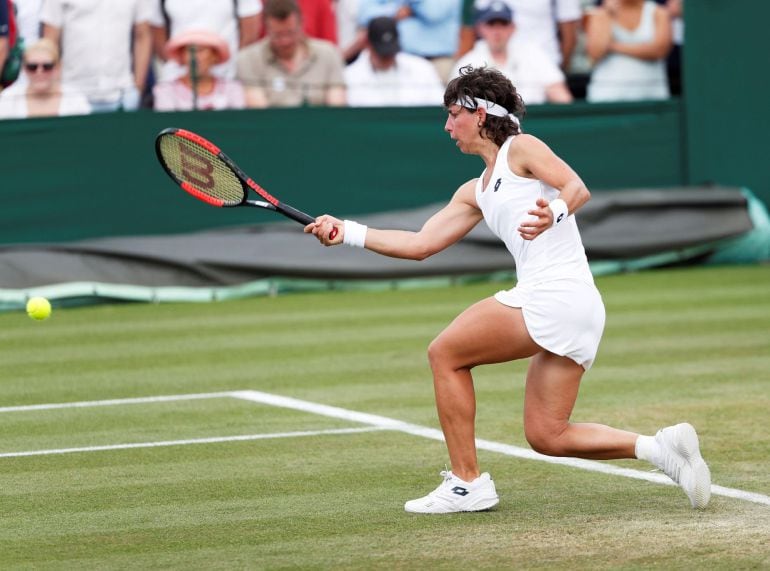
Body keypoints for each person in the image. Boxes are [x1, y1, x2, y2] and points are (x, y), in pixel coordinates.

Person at [305, 65, 711, 514]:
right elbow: (420, 244)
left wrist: (554, 211)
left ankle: (466, 483)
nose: (446, 126)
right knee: (546, 434)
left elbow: (576, 186)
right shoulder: (475, 190)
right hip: (577, 306)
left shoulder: (522, 147)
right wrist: (349, 231)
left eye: (452, 114)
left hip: (553, 295)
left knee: (445, 353)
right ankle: (662, 449)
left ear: (479, 114)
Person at [41, 0, 153, 112]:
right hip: (72, 92)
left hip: (123, 93)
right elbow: (50, 41)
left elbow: (142, 35)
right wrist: (55, 88)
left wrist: (137, 88)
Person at [452, 2, 573, 105]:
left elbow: (561, 96)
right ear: (480, 28)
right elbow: (456, 106)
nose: (497, 31)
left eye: (503, 24)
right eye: (491, 24)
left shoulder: (534, 54)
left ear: (513, 27)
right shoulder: (468, 62)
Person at [236, 0, 346, 108]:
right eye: (277, 35)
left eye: (290, 33)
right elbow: (259, 114)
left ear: (302, 24)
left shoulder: (329, 54)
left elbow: (336, 109)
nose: (285, 41)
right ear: (266, 28)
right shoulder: (248, 59)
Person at [149, 0, 262, 83]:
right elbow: (157, 30)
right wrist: (180, 62)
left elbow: (250, 32)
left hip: (229, 78)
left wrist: (229, 64)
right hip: (176, 79)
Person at [345, 16, 444, 107]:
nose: (388, 58)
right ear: (368, 45)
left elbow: (439, 107)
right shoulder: (349, 76)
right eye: (382, 54)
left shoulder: (423, 69)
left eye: (391, 52)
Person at [585, 0, 672, 102]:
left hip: (652, 95)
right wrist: (607, 15)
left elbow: (659, 50)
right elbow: (595, 53)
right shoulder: (601, 13)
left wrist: (613, 46)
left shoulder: (658, 12)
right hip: (607, 96)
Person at [355, 0, 462, 83]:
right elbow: (365, 15)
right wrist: (395, 11)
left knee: (443, 103)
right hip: (397, 58)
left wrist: (410, 6)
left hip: (438, 60)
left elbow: (433, 12)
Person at [153, 29, 245, 111]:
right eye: (189, 51)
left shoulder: (232, 88)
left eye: (200, 50)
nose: (195, 58)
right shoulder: (166, 90)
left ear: (214, 56)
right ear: (182, 56)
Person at [0, 38, 90, 118]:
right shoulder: (8, 99)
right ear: (24, 69)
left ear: (58, 68)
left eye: (47, 66)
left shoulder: (75, 100)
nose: (39, 72)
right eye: (32, 67)